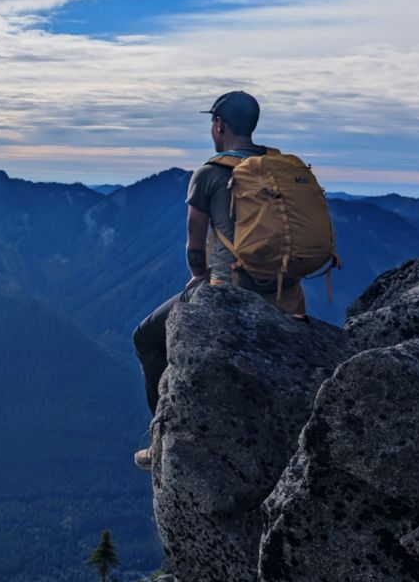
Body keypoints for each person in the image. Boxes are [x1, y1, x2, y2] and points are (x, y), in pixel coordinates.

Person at [131, 90, 306, 471]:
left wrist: (199, 278)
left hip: (229, 292)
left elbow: (195, 246)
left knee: (146, 337)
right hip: (285, 292)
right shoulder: (278, 168)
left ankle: (162, 439)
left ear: (219, 125)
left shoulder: (209, 174)